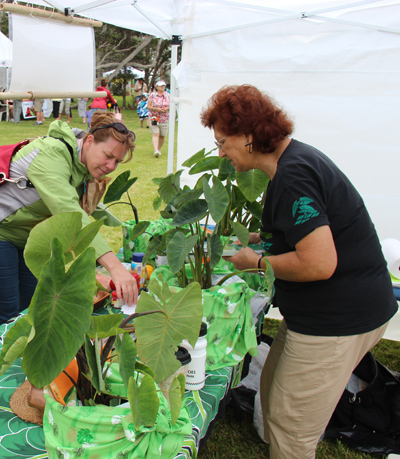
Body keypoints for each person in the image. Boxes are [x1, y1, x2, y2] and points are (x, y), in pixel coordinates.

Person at [200, 84, 397, 459]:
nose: (221, 152)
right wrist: (262, 237)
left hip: (339, 318)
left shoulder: (293, 176)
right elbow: (310, 228)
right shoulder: (295, 162)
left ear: (248, 137)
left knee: (293, 427)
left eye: (223, 141)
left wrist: (255, 262)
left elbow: (319, 263)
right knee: (274, 394)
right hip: (329, 312)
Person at [0, 112, 139, 333]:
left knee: (33, 307)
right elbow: (69, 213)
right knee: (6, 316)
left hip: (26, 236)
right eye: (108, 156)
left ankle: (21, 366)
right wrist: (115, 268)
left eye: (117, 161)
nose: (110, 166)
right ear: (89, 141)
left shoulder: (83, 165)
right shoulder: (50, 153)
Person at [147, 80, 171, 158]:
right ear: (156, 87)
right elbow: (148, 106)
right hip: (154, 117)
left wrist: (167, 108)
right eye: (161, 86)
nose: (162, 87)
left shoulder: (168, 95)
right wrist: (155, 108)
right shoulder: (153, 95)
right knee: (155, 133)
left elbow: (172, 105)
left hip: (165, 117)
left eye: (163, 86)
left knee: (162, 135)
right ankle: (155, 150)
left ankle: (158, 149)